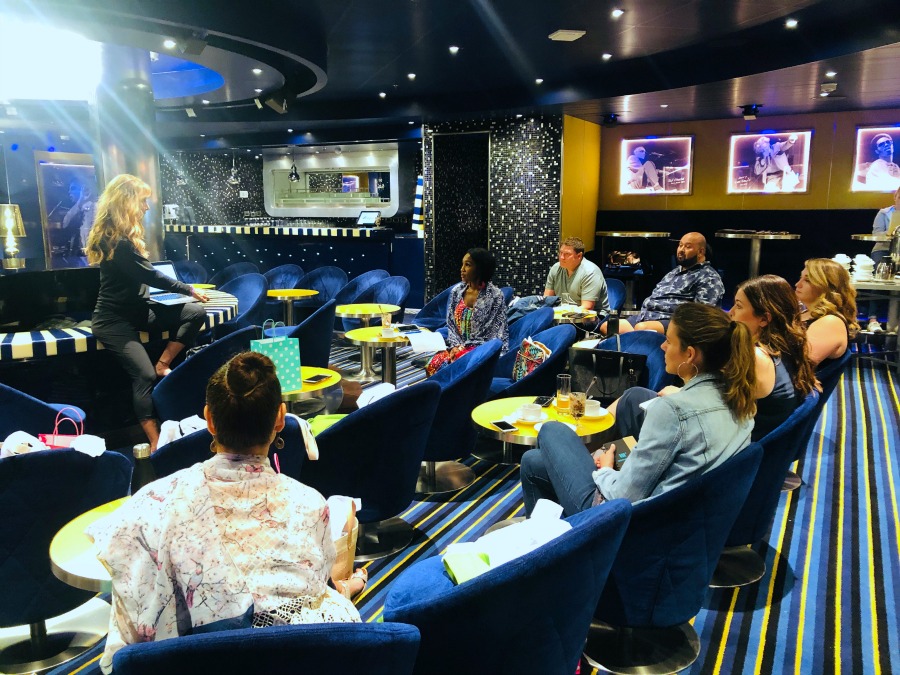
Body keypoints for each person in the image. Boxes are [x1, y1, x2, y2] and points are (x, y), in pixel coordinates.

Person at [88, 352, 364, 673]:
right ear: (280, 418)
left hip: (190, 661)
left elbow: (124, 574)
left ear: (209, 419)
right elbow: (312, 588)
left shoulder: (152, 500)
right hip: (289, 659)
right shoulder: (311, 504)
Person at [520, 302, 756, 515]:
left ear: (690, 354)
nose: (663, 346)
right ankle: (551, 544)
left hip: (620, 521)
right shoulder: (740, 399)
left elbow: (622, 495)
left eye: (670, 341)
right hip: (682, 518)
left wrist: (607, 469)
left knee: (552, 430)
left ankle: (576, 545)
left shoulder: (673, 410)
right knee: (533, 461)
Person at [610, 276, 816, 443]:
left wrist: (680, 394)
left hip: (731, 450)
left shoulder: (755, 358)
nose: (731, 312)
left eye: (738, 306)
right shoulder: (784, 349)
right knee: (637, 396)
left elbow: (713, 410)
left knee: (633, 399)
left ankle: (608, 454)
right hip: (747, 443)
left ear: (764, 318)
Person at [85, 174, 208, 450]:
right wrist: (187, 289)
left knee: (194, 313)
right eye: (143, 201)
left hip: (139, 311)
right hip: (112, 319)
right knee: (144, 376)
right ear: (126, 201)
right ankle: (155, 444)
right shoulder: (115, 240)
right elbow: (152, 276)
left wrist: (187, 297)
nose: (147, 207)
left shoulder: (124, 236)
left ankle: (163, 362)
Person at [603, 232, 723, 335]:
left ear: (701, 252)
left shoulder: (709, 277)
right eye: (680, 245)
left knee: (641, 330)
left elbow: (702, 315)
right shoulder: (674, 272)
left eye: (687, 247)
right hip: (646, 316)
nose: (681, 250)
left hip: (674, 321)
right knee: (609, 326)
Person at [426, 247, 509, 375]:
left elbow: (496, 332)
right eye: (462, 264)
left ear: (480, 268)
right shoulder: (457, 292)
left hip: (481, 348)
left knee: (458, 367)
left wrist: (464, 349)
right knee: (434, 365)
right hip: (457, 345)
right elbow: (451, 324)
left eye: (468, 265)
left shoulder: (495, 296)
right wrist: (455, 346)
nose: (462, 269)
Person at [795, 258, 858, 366]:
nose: (798, 284)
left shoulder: (830, 322)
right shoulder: (806, 312)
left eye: (807, 280)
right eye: (800, 278)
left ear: (826, 286)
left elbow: (800, 365)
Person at [544, 236, 610, 312]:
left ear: (579, 256)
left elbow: (587, 308)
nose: (562, 257)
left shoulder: (590, 272)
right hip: (562, 316)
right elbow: (547, 300)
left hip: (591, 318)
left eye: (567, 254)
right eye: (561, 253)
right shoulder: (555, 268)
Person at [60, 179, 95, 257]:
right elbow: (65, 223)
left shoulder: (94, 207)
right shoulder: (78, 208)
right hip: (78, 254)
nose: (69, 192)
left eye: (73, 188)